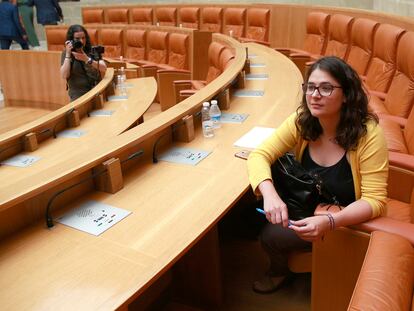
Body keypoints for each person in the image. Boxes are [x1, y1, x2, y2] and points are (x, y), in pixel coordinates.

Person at [247, 56, 388, 294]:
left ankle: (280, 271)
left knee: (271, 235)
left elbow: (375, 200)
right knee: (249, 215)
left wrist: (329, 221)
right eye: (310, 87)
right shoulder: (303, 121)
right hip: (310, 203)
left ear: (346, 95)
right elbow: (259, 154)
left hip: (346, 218)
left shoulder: (368, 134)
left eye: (326, 88)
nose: (315, 95)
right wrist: (269, 193)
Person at [60, 24, 107, 101]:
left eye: (83, 38)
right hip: (78, 96)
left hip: (96, 91)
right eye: (77, 38)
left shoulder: (92, 50)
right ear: (71, 40)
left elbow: (104, 68)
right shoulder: (67, 53)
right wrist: (68, 54)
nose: (81, 41)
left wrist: (87, 59)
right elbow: (64, 75)